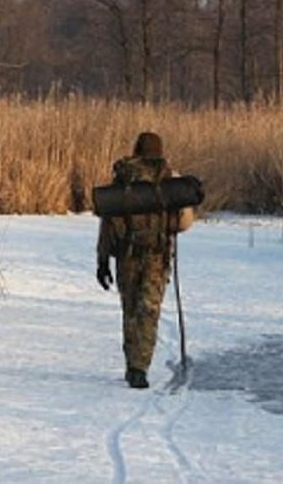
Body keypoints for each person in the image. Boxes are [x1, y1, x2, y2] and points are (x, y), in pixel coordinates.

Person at [96, 131, 194, 389]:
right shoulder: (168, 177)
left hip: (126, 255)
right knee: (149, 310)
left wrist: (102, 260)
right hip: (157, 255)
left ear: (136, 149)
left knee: (130, 310)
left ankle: (132, 365)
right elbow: (183, 223)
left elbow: (108, 223)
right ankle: (140, 367)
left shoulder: (122, 177)